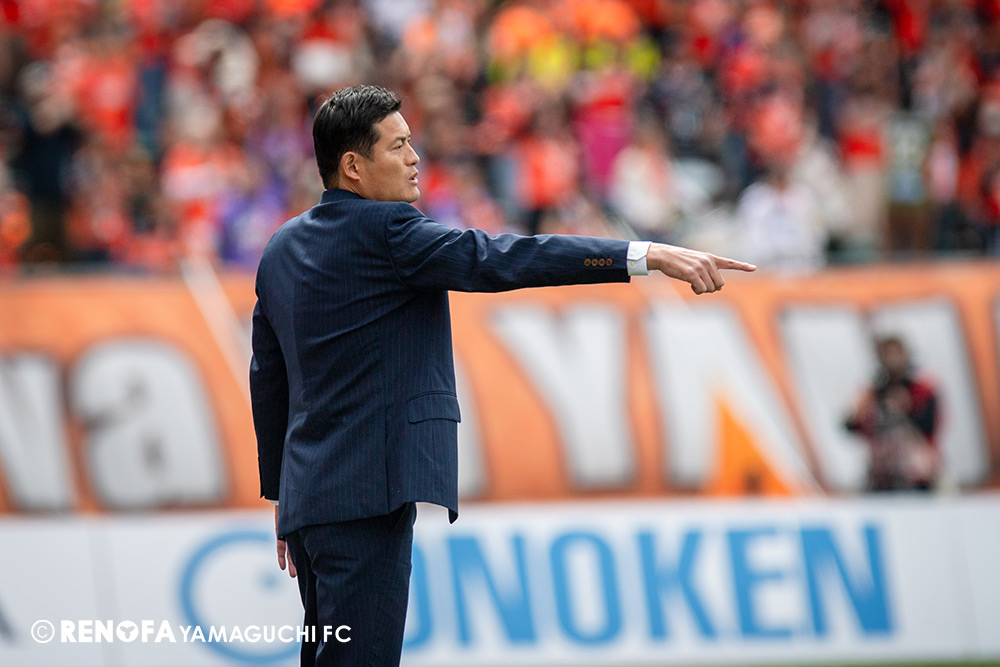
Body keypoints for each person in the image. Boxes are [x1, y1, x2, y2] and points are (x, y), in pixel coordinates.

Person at [249, 84, 756, 667]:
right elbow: (502, 257)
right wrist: (643, 256)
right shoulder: (389, 231)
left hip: (311, 505)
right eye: (398, 146)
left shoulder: (281, 247)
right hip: (368, 500)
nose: (415, 157)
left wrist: (286, 496)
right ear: (353, 167)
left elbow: (269, 378)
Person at [844, 335, 941, 492]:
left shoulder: (923, 390)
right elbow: (851, 426)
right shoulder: (873, 393)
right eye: (887, 354)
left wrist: (906, 409)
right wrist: (857, 413)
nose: (892, 359)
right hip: (882, 475)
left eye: (896, 353)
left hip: (918, 475)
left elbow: (930, 425)